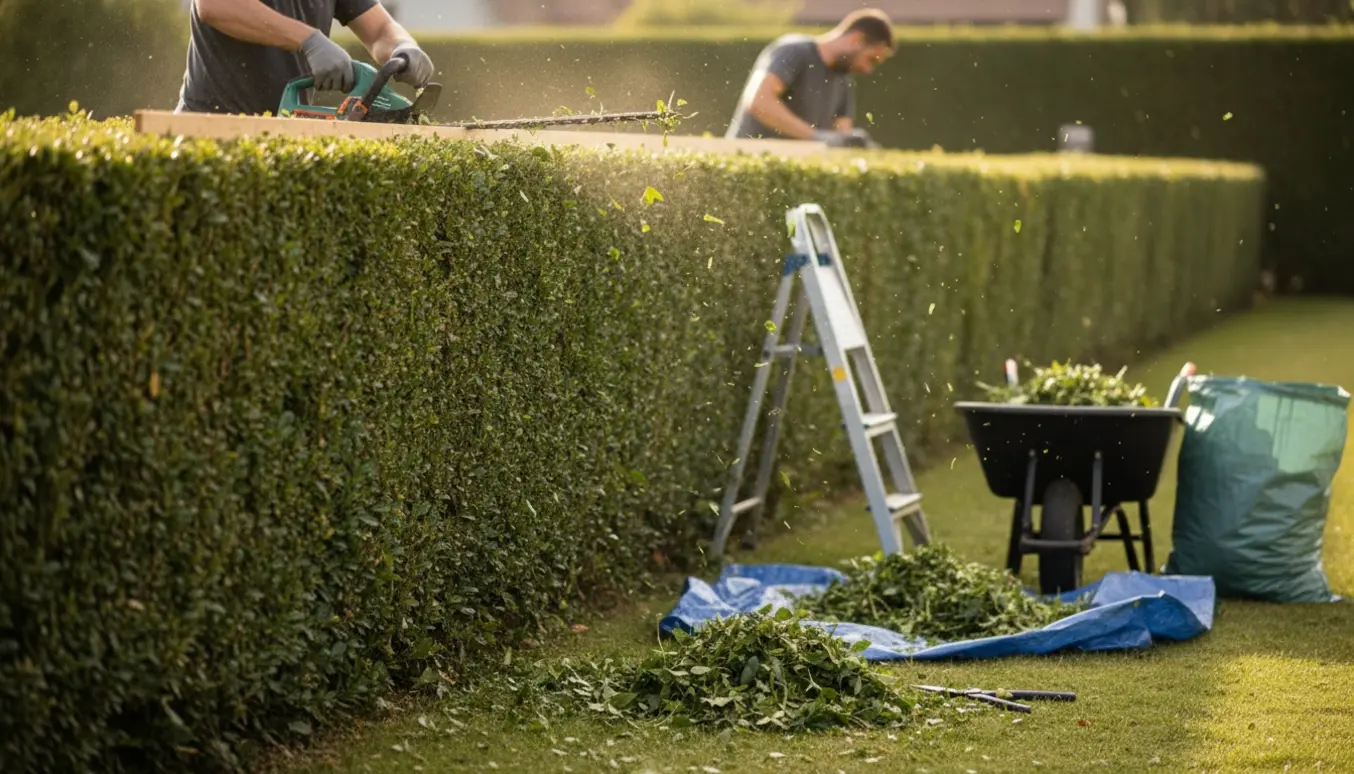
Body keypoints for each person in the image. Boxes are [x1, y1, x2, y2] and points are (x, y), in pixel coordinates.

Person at [176, 0, 435, 116]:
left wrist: (403, 46)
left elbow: (379, 30)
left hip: (283, 135)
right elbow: (215, 6)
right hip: (208, 125)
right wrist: (308, 39)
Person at [725, 8, 895, 147]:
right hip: (749, 165)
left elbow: (840, 135)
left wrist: (856, 145)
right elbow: (759, 101)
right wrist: (815, 136)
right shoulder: (794, 51)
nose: (868, 69)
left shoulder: (843, 81)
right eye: (871, 59)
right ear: (856, 39)